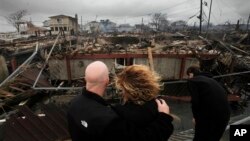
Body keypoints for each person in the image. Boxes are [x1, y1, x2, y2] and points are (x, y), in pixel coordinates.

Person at [67, 61, 174, 141]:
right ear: (107, 81)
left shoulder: (74, 104)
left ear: (85, 79)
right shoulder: (110, 119)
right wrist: (164, 118)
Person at [113, 64, 174, 140]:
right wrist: (164, 117)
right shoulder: (159, 107)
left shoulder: (118, 113)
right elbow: (165, 132)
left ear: (125, 89)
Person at [186, 65, 230, 141]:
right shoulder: (212, 80)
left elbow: (195, 101)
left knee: (200, 138)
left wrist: (196, 117)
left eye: (188, 75)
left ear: (191, 74)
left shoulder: (193, 81)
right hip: (225, 114)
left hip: (211, 116)